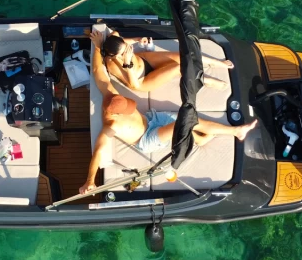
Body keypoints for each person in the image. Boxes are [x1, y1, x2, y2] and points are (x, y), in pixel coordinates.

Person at [79, 30, 257, 194]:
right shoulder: (111, 126)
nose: (130, 106)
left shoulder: (109, 92)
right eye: (127, 107)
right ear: (116, 115)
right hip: (147, 138)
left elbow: (96, 70)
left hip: (151, 119)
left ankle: (201, 139)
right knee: (187, 120)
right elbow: (99, 152)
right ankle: (236, 131)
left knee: (189, 119)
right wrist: (90, 181)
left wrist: (96, 45)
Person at [99, 29, 233, 92]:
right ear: (114, 55)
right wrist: (127, 63)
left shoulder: (113, 38)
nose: (128, 50)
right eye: (123, 52)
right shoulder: (112, 65)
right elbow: (133, 85)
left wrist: (137, 39)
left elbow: (118, 37)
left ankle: (218, 63)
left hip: (144, 60)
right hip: (142, 80)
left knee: (183, 56)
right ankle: (206, 81)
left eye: (126, 47)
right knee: (178, 68)